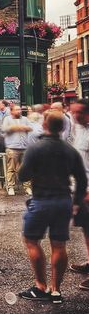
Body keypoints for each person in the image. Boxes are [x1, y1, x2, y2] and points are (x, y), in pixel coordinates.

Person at [18, 111, 87, 304]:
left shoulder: (35, 149)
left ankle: (41, 286)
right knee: (59, 244)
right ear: (63, 127)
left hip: (41, 200)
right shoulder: (70, 150)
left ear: (45, 125)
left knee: (32, 240)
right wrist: (76, 203)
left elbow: (22, 176)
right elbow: (81, 180)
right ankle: (56, 290)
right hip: (63, 201)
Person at [69, 99, 89, 290]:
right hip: (81, 188)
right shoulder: (79, 129)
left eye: (79, 114)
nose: (75, 117)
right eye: (73, 113)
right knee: (86, 228)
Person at [2, 104, 32, 196]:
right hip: (12, 147)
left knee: (26, 168)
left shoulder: (25, 119)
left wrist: (24, 128)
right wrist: (15, 128)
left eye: (20, 110)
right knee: (11, 168)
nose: (19, 111)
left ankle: (27, 187)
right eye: (17, 110)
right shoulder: (7, 119)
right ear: (12, 111)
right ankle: (11, 187)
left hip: (24, 147)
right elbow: (4, 129)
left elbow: (30, 128)